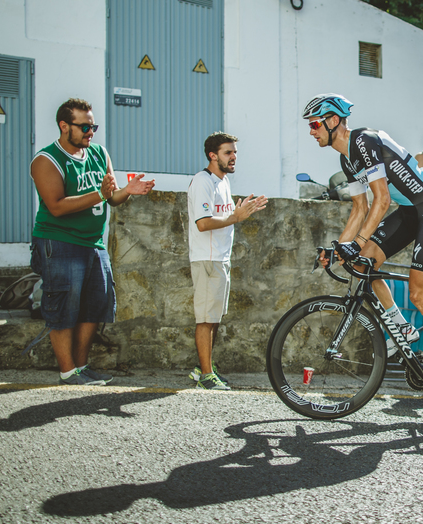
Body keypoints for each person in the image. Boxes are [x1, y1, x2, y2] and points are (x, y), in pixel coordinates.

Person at [304, 93, 423, 402]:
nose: (311, 131)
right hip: (410, 211)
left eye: (315, 124)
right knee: (362, 262)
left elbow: (382, 200)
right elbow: (359, 208)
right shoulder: (346, 158)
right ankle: (402, 329)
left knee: (420, 294)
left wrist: (357, 242)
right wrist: (341, 248)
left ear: (333, 121)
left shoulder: (363, 141)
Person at [30, 98, 156, 386]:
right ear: (64, 126)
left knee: (94, 306)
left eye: (93, 126)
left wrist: (129, 190)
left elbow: (112, 197)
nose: (91, 132)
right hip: (59, 242)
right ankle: (67, 371)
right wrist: (100, 194)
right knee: (63, 307)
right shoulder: (45, 160)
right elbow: (57, 206)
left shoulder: (99, 153)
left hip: (94, 244)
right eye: (84, 126)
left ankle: (81, 367)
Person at [187, 132, 267, 391]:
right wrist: (236, 217)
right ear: (212, 155)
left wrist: (239, 212)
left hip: (220, 259)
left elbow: (226, 217)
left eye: (234, 153)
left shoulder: (223, 183)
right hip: (207, 259)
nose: (234, 157)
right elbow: (203, 223)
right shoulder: (203, 181)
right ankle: (206, 375)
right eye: (227, 153)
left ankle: (203, 368)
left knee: (214, 318)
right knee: (205, 319)